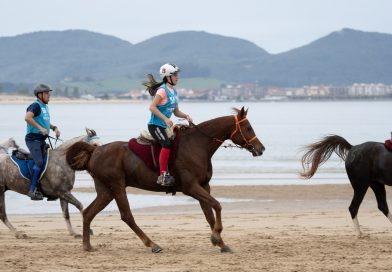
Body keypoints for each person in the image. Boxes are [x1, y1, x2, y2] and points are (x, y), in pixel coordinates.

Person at [143, 63, 192, 186]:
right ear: (168, 77)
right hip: (155, 125)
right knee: (167, 144)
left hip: (165, 126)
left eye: (177, 74)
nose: (178, 77)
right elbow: (152, 107)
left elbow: (176, 112)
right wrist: (165, 119)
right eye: (175, 75)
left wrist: (186, 116)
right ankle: (163, 175)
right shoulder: (162, 91)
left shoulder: (174, 92)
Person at [24, 84, 60, 200]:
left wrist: (54, 128)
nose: (49, 95)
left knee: (50, 162)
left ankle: (48, 190)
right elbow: (27, 118)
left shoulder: (44, 107)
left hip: (41, 140)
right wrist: (40, 128)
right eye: (47, 93)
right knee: (39, 162)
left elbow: (44, 122)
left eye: (49, 93)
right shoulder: (35, 105)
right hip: (33, 139)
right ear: (40, 95)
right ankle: (32, 189)